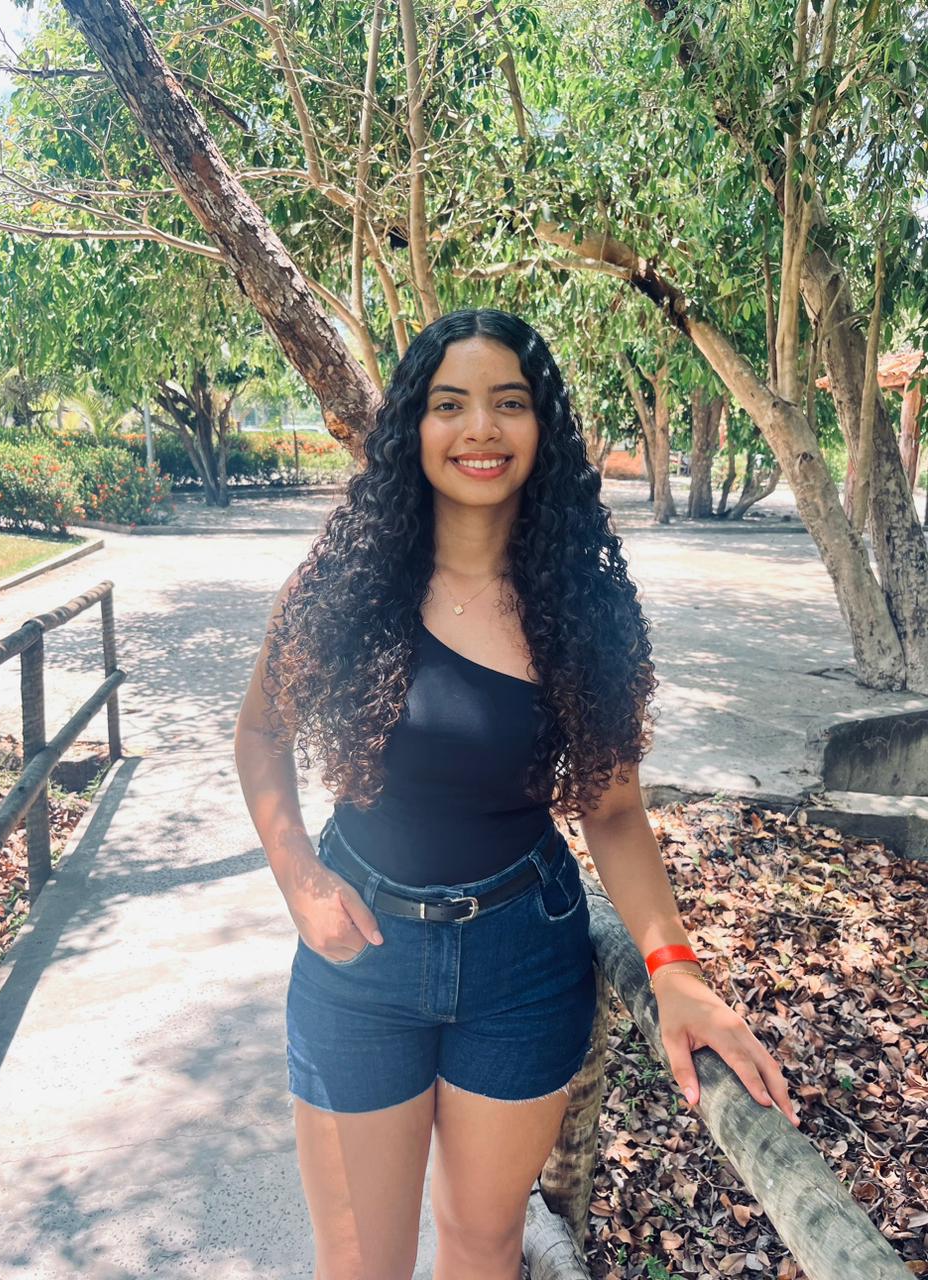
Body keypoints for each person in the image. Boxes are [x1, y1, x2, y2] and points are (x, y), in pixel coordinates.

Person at [233, 308, 799, 1280]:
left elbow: (612, 808)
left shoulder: (584, 607)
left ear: (545, 428)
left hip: (521, 961)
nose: (480, 429)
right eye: (450, 404)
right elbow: (260, 736)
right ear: (414, 426)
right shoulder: (341, 586)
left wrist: (674, 967)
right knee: (360, 1260)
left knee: (482, 1243)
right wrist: (296, 873)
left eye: (510, 403)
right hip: (360, 955)